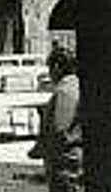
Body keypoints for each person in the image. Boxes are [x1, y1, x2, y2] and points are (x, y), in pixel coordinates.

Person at [29, 46, 84, 192]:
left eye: (49, 69)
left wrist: (41, 147)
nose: (50, 75)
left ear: (57, 67)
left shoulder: (65, 90)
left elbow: (59, 129)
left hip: (65, 166)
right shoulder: (75, 86)